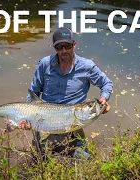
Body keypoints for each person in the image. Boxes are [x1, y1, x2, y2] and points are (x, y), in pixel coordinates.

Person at [19, 27, 113, 159]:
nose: (63, 51)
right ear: (55, 48)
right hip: (45, 122)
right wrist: (28, 118)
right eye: (59, 47)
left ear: (74, 45)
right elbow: (33, 92)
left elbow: (106, 84)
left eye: (67, 46)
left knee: (85, 161)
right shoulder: (44, 64)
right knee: (40, 163)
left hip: (74, 123)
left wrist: (104, 98)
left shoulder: (87, 66)